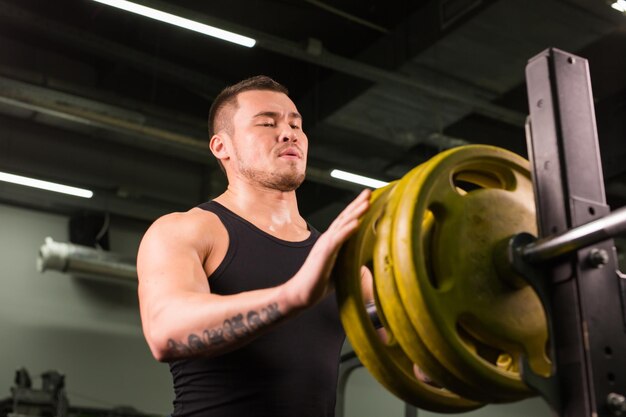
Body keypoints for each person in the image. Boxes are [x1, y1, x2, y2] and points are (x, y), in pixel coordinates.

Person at [136, 75, 371, 417]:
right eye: (267, 122)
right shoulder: (185, 230)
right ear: (222, 147)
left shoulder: (339, 258)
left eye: (296, 124)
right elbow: (165, 333)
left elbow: (420, 366)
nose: (289, 133)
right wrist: (292, 296)